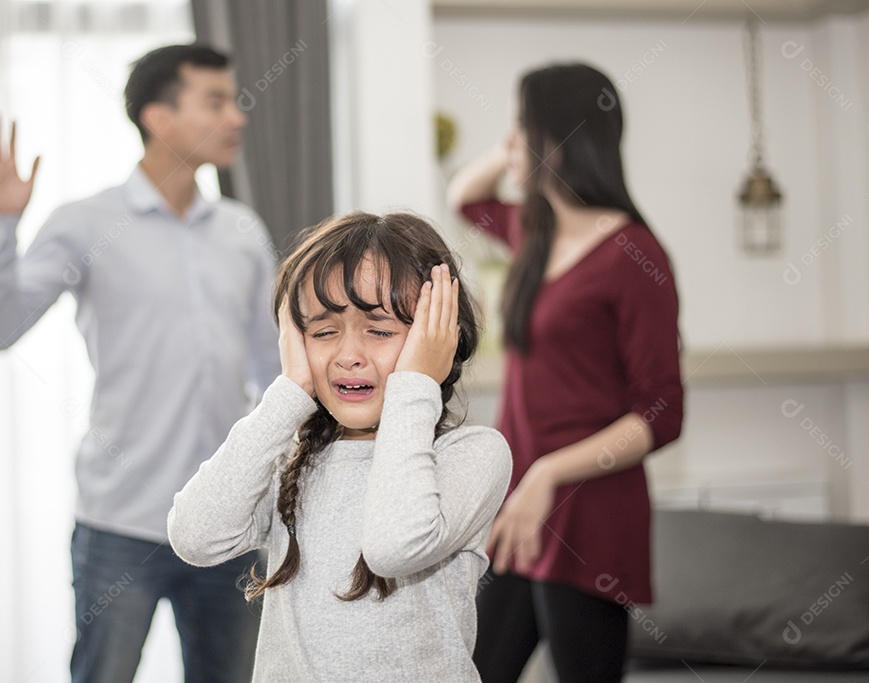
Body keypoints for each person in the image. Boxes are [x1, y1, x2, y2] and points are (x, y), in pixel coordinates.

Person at [0, 45, 279, 683]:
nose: (238, 116)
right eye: (216, 102)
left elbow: (273, 368)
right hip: (120, 524)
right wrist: (3, 224)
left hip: (229, 522)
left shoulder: (243, 230)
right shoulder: (85, 222)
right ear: (157, 118)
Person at [168, 212, 513, 681]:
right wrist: (290, 390)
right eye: (324, 332)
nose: (348, 355)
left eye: (381, 331)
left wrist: (414, 385)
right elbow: (195, 535)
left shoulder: (472, 454)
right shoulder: (291, 459)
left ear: (439, 341)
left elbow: (394, 547)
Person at [447, 63, 684, 683]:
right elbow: (464, 198)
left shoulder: (634, 256)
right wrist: (510, 151)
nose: (509, 142)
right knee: (473, 670)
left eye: (520, 128)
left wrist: (550, 472)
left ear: (558, 139)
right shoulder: (536, 232)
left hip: (588, 508)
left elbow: (662, 413)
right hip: (521, 501)